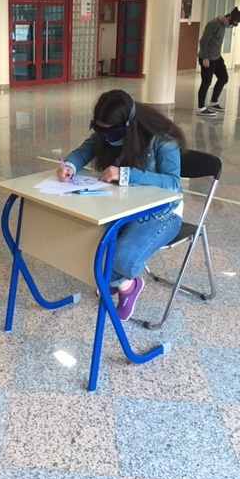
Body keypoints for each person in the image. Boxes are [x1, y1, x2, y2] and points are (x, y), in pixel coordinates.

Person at [57, 89, 186, 322]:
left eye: (111, 132)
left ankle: (128, 286)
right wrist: (69, 166)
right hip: (121, 205)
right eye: (99, 130)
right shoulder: (107, 132)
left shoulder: (162, 137)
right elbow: (84, 151)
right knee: (84, 241)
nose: (105, 137)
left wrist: (127, 174)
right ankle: (121, 282)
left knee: (119, 260)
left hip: (161, 213)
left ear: (127, 124)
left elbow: (173, 183)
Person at [196, 6, 240, 116]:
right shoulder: (213, 24)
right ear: (228, 18)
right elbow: (203, 41)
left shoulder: (223, 25)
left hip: (217, 57)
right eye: (232, 24)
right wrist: (205, 58)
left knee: (224, 78)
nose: (232, 26)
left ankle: (214, 102)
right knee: (206, 82)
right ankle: (201, 108)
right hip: (207, 58)